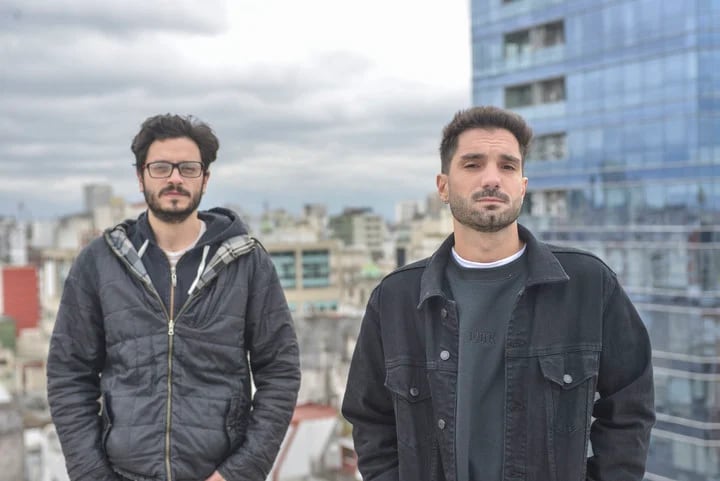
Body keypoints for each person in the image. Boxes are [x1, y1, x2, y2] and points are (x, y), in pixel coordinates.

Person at [342, 106, 655, 481]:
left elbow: (630, 407)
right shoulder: (396, 299)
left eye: (507, 166)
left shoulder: (588, 284)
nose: (492, 178)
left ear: (522, 185)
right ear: (443, 186)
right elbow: (370, 419)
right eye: (473, 164)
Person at [47, 114, 301, 481]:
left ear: (205, 178)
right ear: (141, 177)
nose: (175, 179)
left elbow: (280, 370)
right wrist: (91, 475)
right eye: (161, 167)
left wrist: (241, 472)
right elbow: (68, 373)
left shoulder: (247, 262)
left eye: (188, 168)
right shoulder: (99, 261)